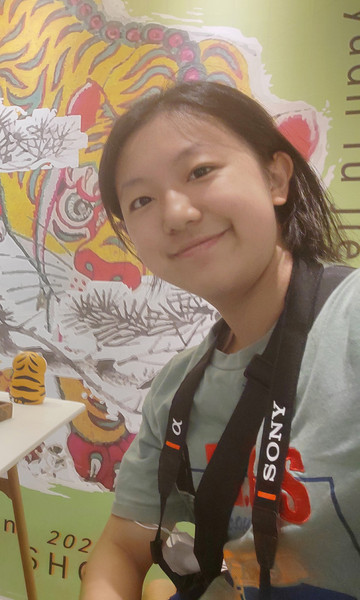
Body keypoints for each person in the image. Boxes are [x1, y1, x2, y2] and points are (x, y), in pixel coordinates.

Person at [79, 81, 359, 599]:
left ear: (276, 178)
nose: (176, 214)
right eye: (142, 200)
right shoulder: (175, 390)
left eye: (200, 171)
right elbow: (121, 548)